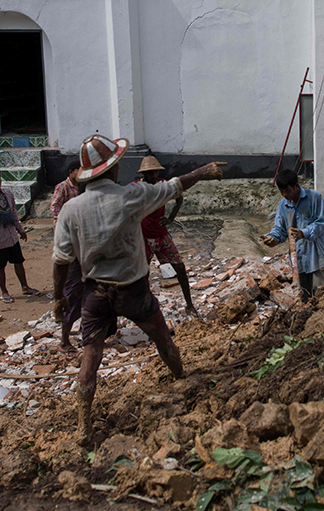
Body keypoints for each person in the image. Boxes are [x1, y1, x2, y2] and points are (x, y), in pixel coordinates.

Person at [51, 134, 225, 443]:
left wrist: (57, 298)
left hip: (95, 293)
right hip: (133, 290)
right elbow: (175, 186)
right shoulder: (132, 196)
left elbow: (61, 261)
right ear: (114, 169)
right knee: (161, 336)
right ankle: (181, 380)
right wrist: (204, 171)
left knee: (90, 357)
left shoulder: (71, 210)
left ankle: (83, 426)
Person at [137, 155, 198, 317]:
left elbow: (179, 199)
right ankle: (145, 307)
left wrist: (170, 218)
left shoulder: (163, 185)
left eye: (156, 172)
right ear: (144, 173)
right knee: (143, 274)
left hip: (161, 235)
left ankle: (189, 304)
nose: (154, 175)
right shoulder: (138, 188)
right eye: (151, 173)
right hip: (144, 236)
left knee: (179, 267)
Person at [261, 170, 324, 301]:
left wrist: (303, 233)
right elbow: (280, 229)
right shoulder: (283, 205)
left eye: (286, 191)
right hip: (299, 261)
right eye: (281, 192)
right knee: (304, 299)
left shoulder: (315, 198)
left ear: (296, 186)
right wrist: (272, 238)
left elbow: (320, 223)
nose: (284, 195)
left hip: (317, 257)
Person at [0, 166, 39, 303]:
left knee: (19, 262)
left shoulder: (7, 194)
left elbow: (13, 214)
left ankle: (25, 286)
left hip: (11, 237)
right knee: (0, 267)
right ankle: (4, 291)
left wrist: (20, 230)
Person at [50, 160, 83, 354]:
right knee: (72, 292)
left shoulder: (83, 188)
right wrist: (65, 228)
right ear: (71, 171)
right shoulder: (63, 188)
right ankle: (64, 340)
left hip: (82, 244)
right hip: (70, 245)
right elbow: (55, 210)